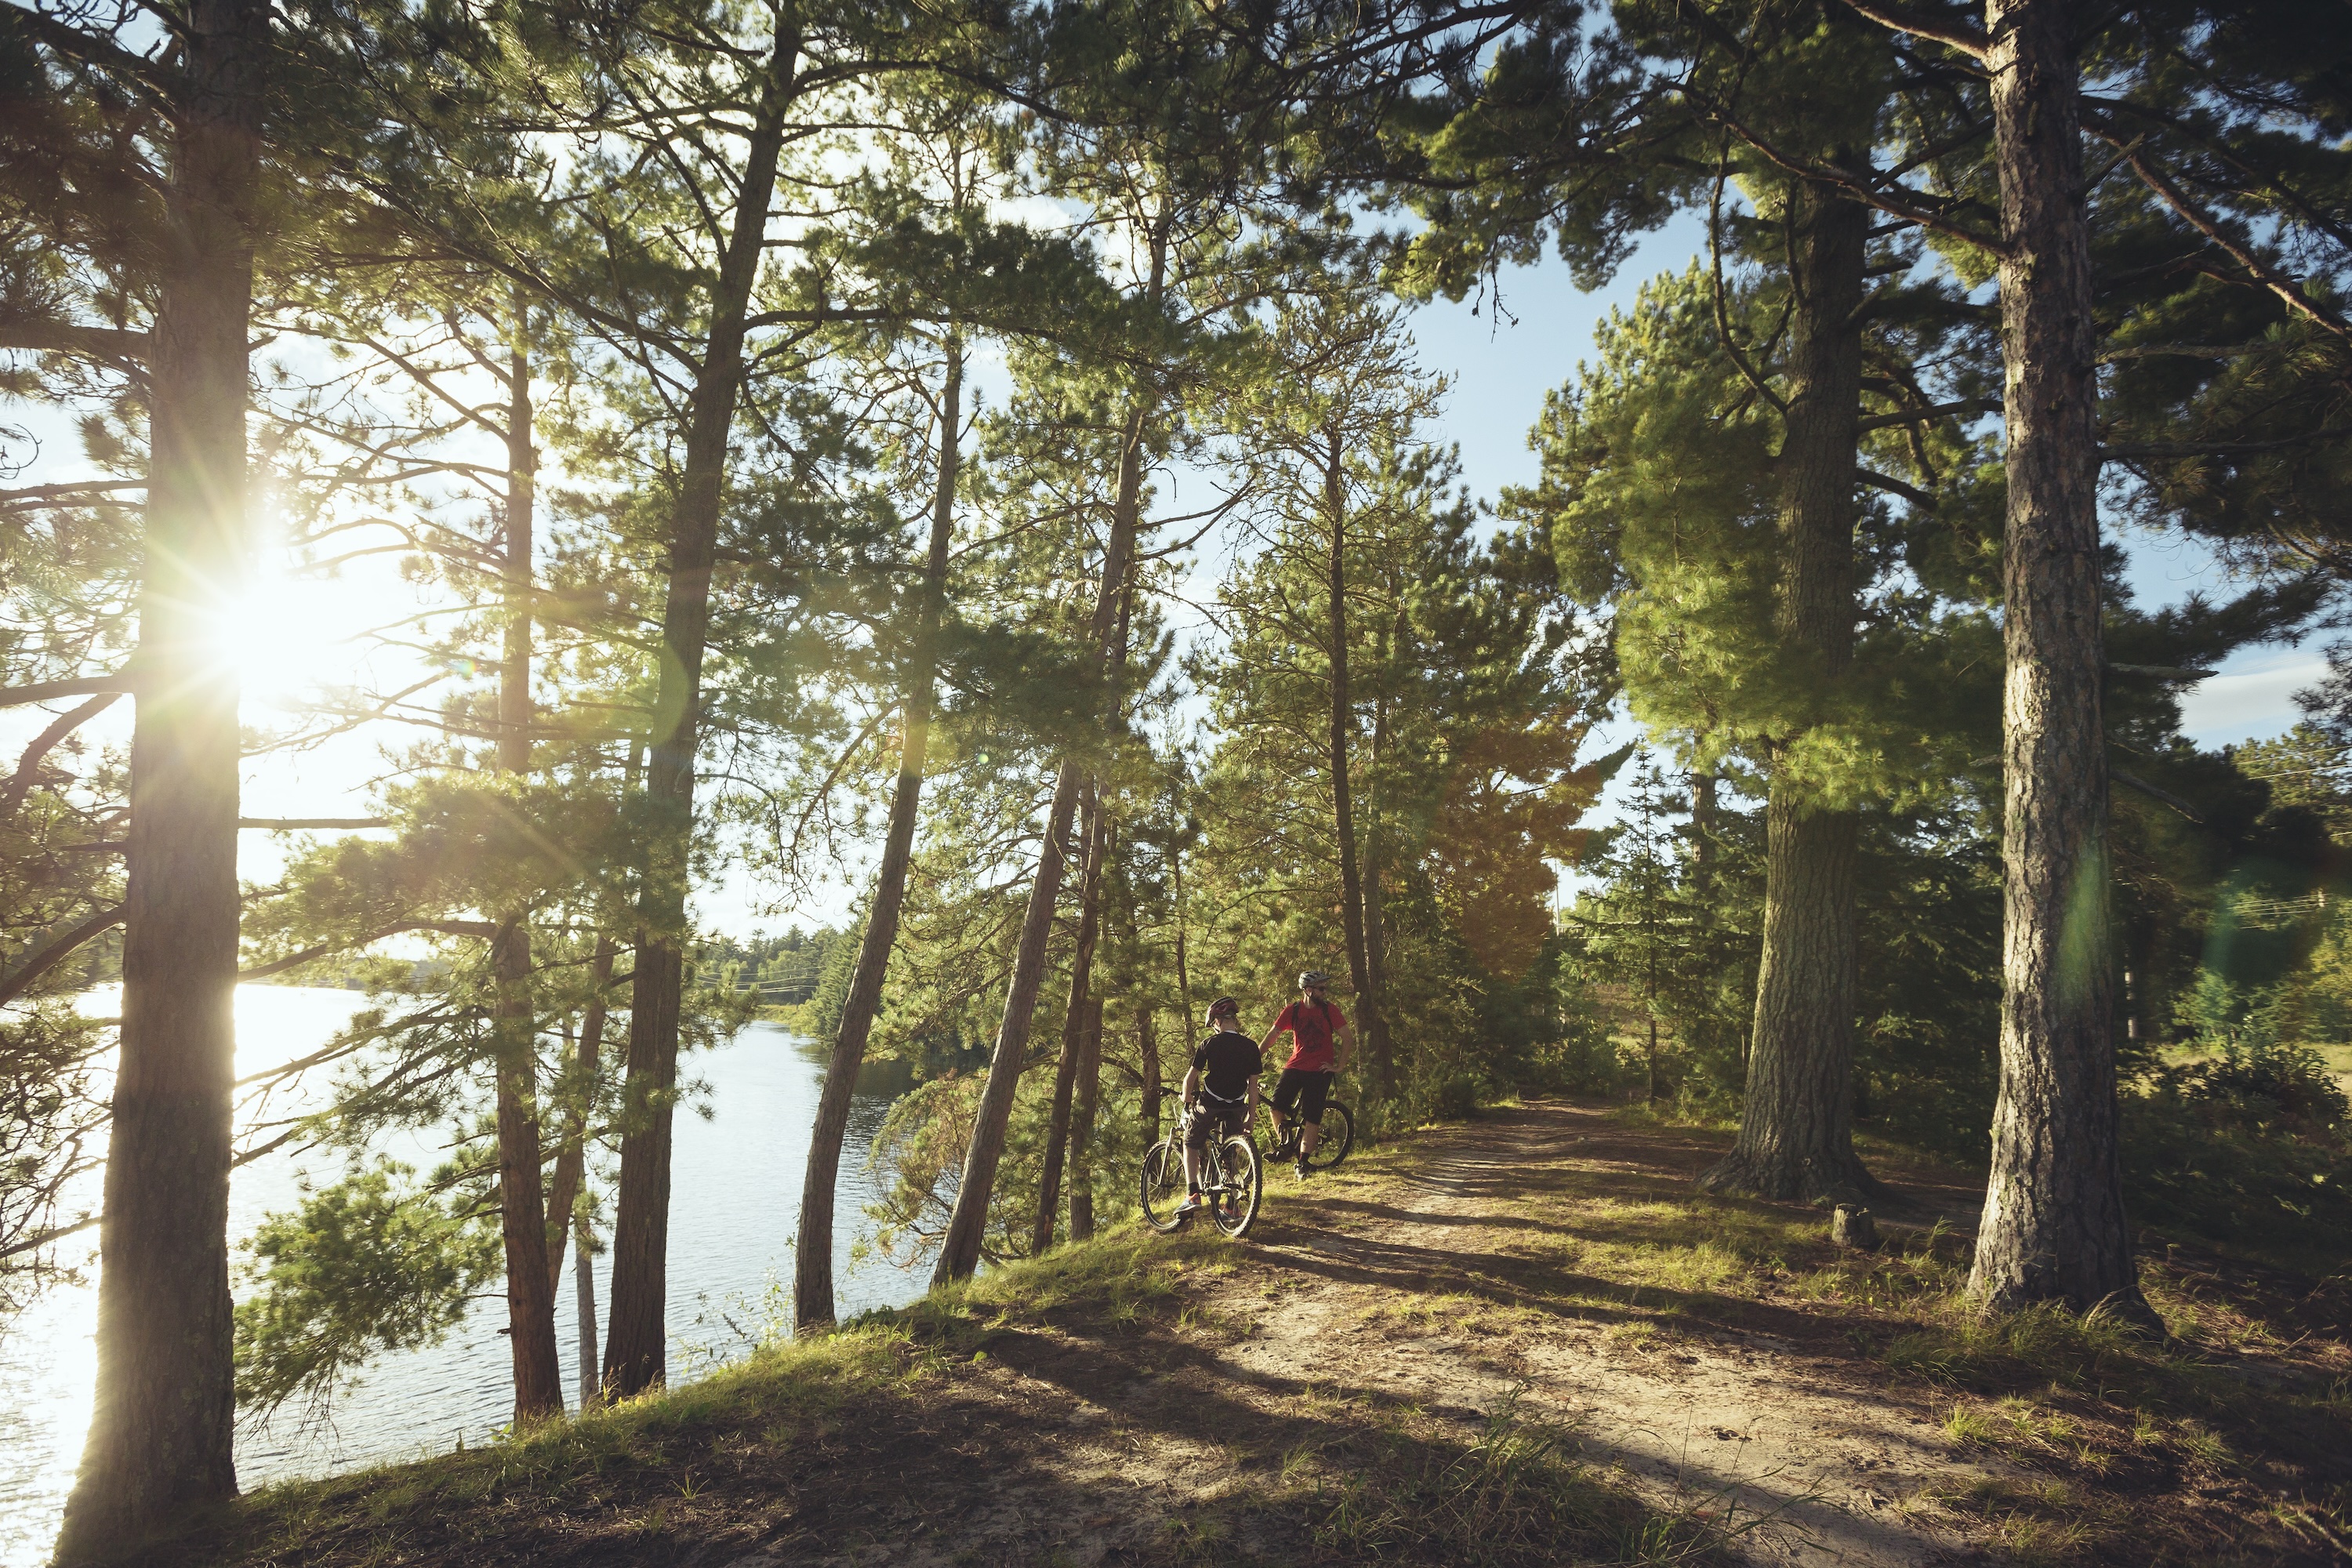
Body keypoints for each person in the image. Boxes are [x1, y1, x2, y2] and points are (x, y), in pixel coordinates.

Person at [1178, 996, 1263, 1217]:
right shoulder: (1251, 1047)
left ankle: (1192, 1195)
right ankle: (1232, 1207)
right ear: (1233, 1020)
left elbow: (1190, 1079)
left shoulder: (1209, 1044)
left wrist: (1186, 1097)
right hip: (1236, 1105)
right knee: (1230, 1151)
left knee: (1190, 1142)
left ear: (1216, 1021)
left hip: (1210, 1103)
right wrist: (1251, 1118)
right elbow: (1253, 1088)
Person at [1262, 970, 1350, 1178]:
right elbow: (1273, 1035)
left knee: (1312, 1117)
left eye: (1324, 988)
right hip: (1295, 1066)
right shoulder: (1292, 1010)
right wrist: (1254, 1056)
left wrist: (1339, 1066)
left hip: (1320, 1070)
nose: (1324, 992)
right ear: (1308, 990)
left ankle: (1303, 1163)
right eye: (1321, 989)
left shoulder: (1331, 1011)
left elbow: (1348, 1038)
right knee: (1276, 1108)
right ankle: (1286, 1146)